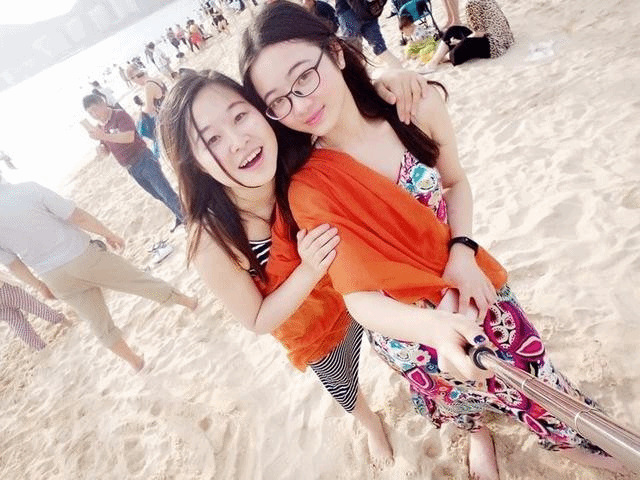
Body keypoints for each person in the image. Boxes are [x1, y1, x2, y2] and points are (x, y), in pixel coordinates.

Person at [239, 2, 626, 478]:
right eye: (278, 101)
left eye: (304, 76)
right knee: (452, 394)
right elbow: (359, 296)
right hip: (407, 330)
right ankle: (476, 432)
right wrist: (433, 329)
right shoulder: (308, 186)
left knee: (532, 377)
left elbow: (455, 183)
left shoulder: (414, 108)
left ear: (335, 53)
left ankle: (563, 439)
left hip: (468, 285)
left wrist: (462, 252)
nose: (299, 105)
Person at [158, 65, 433, 458]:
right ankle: (370, 422)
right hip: (312, 327)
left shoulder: (298, 154)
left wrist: (390, 82)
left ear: (260, 111)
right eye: (212, 139)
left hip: (359, 287)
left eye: (240, 116)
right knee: (343, 387)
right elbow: (257, 320)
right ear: (195, 163)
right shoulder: (212, 238)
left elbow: (345, 108)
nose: (238, 141)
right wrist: (308, 270)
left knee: (401, 345)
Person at [0, 180, 197, 371]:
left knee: (97, 322)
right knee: (137, 281)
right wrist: (108, 233)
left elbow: (13, 264)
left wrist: (40, 286)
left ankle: (135, 362)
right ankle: (189, 303)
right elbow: (77, 216)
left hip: (54, 276)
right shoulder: (28, 189)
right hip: (81, 255)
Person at [82, 94, 183, 230]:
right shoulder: (100, 127)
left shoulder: (119, 115)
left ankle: (189, 219)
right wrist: (101, 150)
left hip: (143, 159)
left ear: (102, 102)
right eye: (90, 113)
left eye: (95, 109)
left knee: (166, 192)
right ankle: (179, 215)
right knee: (158, 195)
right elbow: (106, 152)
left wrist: (104, 136)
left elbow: (128, 137)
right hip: (131, 168)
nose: (94, 114)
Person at [422, 0, 513, 73]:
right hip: (505, 38)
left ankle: (439, 59)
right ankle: (435, 61)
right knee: (454, 29)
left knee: (460, 50)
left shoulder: (472, 4)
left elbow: (479, 34)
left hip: (494, 45)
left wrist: (461, 42)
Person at [0, 272, 67, 351]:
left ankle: (40, 347)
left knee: (15, 322)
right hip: (4, 289)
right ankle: (61, 320)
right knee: (34, 307)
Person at [334, 0, 403, 67]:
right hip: (349, 11)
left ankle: (396, 67)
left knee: (376, 45)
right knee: (356, 49)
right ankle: (395, 66)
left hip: (365, 11)